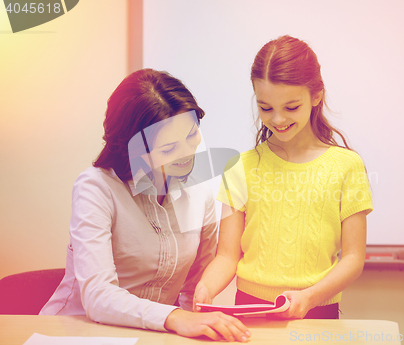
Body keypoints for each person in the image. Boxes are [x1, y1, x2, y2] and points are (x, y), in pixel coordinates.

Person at [40, 69, 250, 342]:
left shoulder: (200, 192)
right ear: (133, 148)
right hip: (76, 334)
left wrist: (195, 321)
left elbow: (193, 290)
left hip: (155, 337)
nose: (187, 154)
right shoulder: (96, 188)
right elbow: (98, 296)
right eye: (168, 148)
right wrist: (174, 318)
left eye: (192, 134)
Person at [193, 36, 373, 319]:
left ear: (317, 96)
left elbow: (353, 258)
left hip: (317, 309)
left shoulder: (347, 166)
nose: (277, 119)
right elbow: (227, 256)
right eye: (265, 108)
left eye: (291, 108)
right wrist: (205, 287)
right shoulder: (240, 167)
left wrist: (309, 297)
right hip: (249, 310)